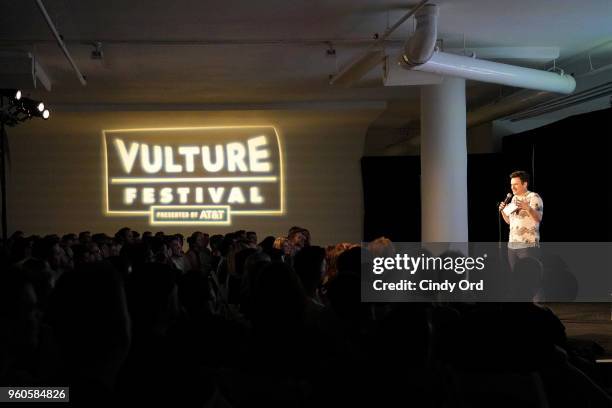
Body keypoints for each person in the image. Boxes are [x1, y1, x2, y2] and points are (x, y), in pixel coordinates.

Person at [498, 170, 543, 271]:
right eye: (511, 185)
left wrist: (527, 208)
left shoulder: (534, 197)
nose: (512, 187)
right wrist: (502, 211)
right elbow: (509, 221)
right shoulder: (514, 199)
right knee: (515, 276)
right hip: (512, 246)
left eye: (516, 184)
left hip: (527, 245)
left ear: (525, 184)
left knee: (528, 274)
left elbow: (538, 218)